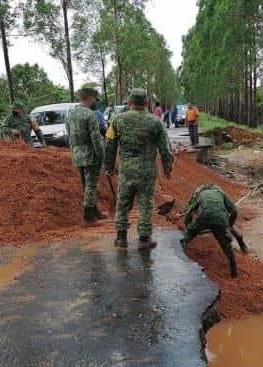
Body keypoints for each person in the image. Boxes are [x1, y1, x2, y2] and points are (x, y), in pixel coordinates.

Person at [104, 89, 173, 250]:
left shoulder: (117, 120)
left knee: (122, 203)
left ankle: (121, 239)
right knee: (145, 204)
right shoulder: (156, 122)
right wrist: (167, 168)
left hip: (126, 170)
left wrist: (108, 166)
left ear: (129, 102)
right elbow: (165, 149)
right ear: (146, 103)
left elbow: (109, 145)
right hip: (147, 171)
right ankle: (144, 239)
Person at [180, 184, 248, 278]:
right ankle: (234, 268)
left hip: (206, 217)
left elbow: (190, 210)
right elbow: (234, 211)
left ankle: (183, 245)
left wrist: (189, 228)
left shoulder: (200, 193)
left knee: (191, 232)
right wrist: (229, 224)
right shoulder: (220, 192)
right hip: (221, 219)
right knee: (226, 245)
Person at [67, 87, 107, 223]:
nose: (95, 100)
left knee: (86, 184)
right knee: (91, 185)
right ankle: (89, 216)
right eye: (94, 98)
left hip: (77, 155)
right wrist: (102, 155)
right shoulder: (90, 115)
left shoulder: (71, 114)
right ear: (89, 97)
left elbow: (69, 135)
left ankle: (94, 210)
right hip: (90, 155)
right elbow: (96, 138)